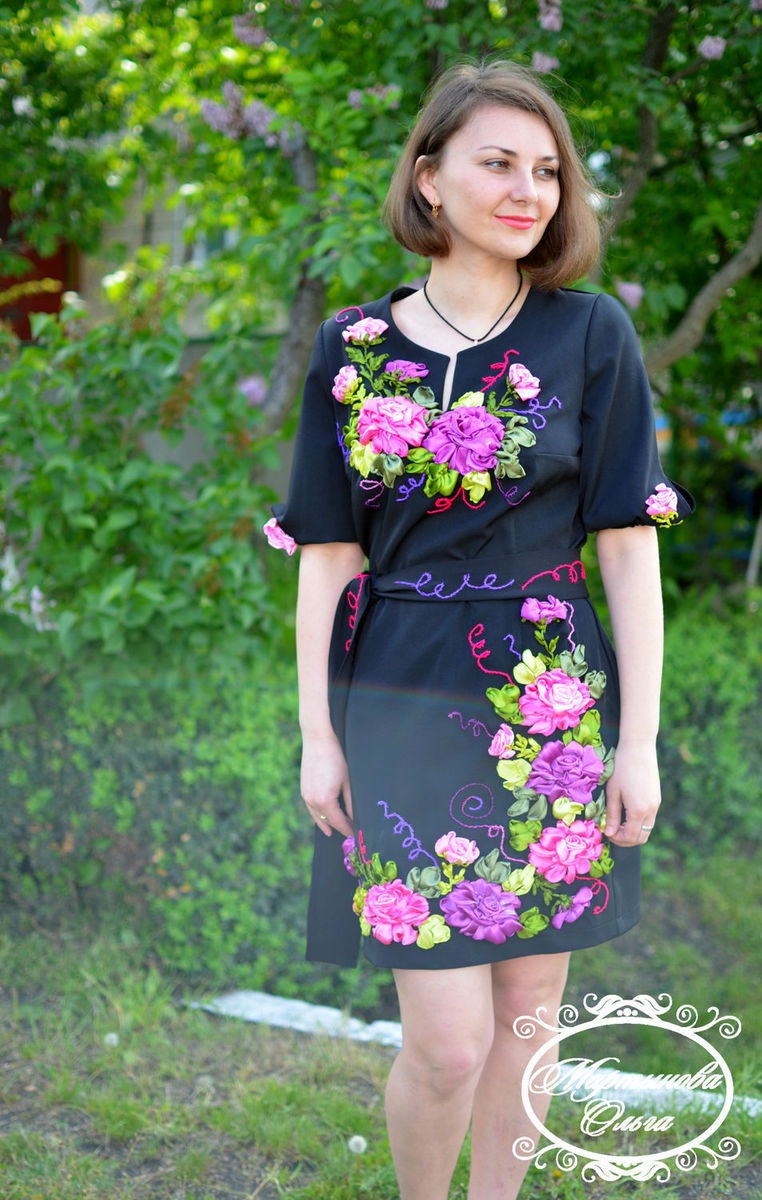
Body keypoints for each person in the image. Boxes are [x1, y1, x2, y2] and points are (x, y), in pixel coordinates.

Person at [265, 60, 693, 1200]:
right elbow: (327, 553)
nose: (527, 190)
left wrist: (637, 744)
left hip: (550, 705)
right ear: (429, 178)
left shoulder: (589, 334)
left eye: (546, 170)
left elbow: (627, 547)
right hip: (397, 695)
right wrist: (317, 734)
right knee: (448, 1042)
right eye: (497, 163)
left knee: (527, 1013)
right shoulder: (353, 348)